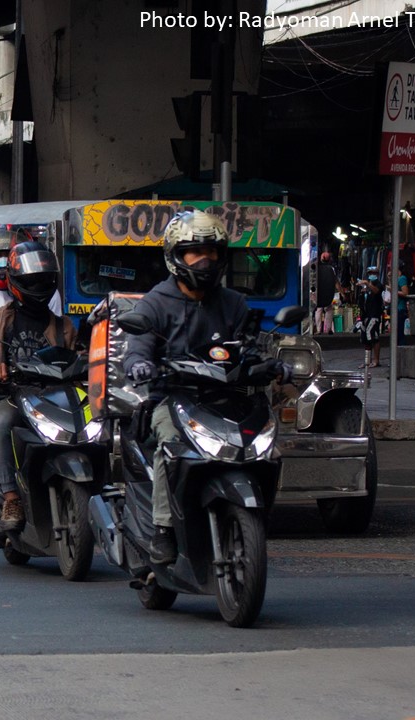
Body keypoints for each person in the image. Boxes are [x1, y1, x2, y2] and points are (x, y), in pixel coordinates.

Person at [122, 210, 290, 564]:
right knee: (169, 442)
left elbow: (250, 346)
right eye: (194, 252)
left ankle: (259, 512)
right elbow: (138, 346)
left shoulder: (233, 302)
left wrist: (272, 364)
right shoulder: (156, 301)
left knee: (270, 444)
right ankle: (164, 528)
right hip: (173, 398)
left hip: (227, 399)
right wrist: (139, 363)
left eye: (212, 251)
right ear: (175, 257)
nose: (205, 260)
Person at [0, 240, 76, 531]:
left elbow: (76, 358)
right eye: (32, 281)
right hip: (13, 395)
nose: (39, 286)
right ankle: (10, 497)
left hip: (54, 399)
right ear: (16, 283)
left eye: (43, 280)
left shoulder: (63, 325)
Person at [357, 268, 384, 368]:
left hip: (374, 315)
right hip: (366, 315)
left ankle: (376, 360)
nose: (371, 275)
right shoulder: (366, 287)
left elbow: (376, 291)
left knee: (374, 337)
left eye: (373, 273)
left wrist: (368, 284)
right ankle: (367, 360)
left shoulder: (378, 285)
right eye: (370, 273)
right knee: (365, 338)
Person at [315, 251, 339, 334]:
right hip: (328, 291)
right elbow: (335, 281)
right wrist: (341, 292)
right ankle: (327, 329)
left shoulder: (316, 268)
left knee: (319, 309)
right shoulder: (331, 269)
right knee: (329, 309)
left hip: (319, 292)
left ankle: (318, 329)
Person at [394, 263, 410, 345]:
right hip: (396, 308)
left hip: (401, 308)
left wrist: (394, 291)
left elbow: (405, 293)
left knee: (400, 332)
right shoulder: (397, 279)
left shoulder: (402, 278)